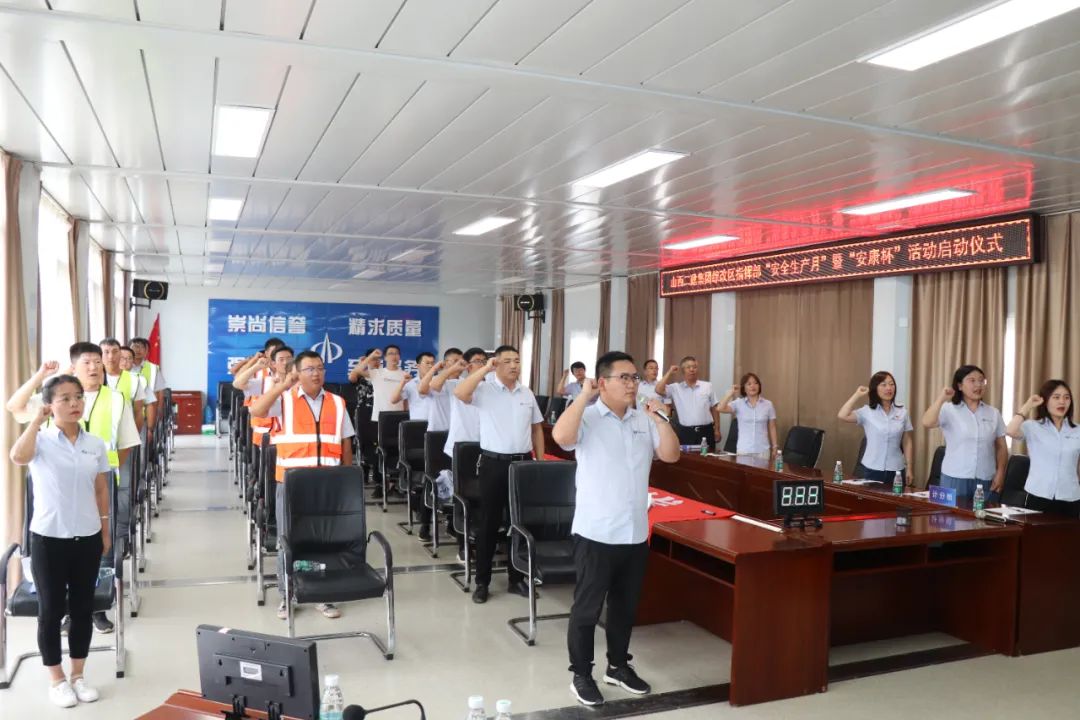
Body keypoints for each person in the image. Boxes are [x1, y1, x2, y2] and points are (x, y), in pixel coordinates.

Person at [552, 352, 679, 707]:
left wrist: (662, 419)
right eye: (624, 377)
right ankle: (581, 673)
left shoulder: (644, 419)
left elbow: (671, 455)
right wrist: (583, 396)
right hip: (596, 532)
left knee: (624, 607)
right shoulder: (587, 416)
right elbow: (561, 436)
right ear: (602, 382)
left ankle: (618, 666)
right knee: (587, 608)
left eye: (634, 377)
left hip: (634, 531)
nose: (632, 384)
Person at [7, 344, 140, 634]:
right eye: (87, 362)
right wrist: (40, 376)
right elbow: (14, 406)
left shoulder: (117, 399)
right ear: (74, 367)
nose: (94, 367)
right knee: (62, 548)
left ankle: (95, 610)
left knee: (100, 548)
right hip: (59, 486)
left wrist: (102, 469)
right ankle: (66, 611)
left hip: (100, 478)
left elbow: (127, 443)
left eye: (97, 362)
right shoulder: (56, 398)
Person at [9, 375, 111, 707]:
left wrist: (105, 530)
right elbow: (17, 457)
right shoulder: (40, 440)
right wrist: (35, 422)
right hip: (48, 539)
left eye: (78, 396)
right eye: (65, 398)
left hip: (87, 537)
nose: (74, 403)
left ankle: (78, 675)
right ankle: (56, 679)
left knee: (82, 609)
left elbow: (100, 489)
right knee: (51, 611)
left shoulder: (95, 443)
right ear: (50, 405)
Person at [250, 351, 355, 622]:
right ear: (297, 372)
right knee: (288, 540)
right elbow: (257, 411)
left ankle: (322, 594)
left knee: (324, 540)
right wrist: (281, 387)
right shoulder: (283, 399)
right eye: (309, 369)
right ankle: (287, 596)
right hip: (292, 482)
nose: (316, 373)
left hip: (328, 483)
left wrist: (346, 479)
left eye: (320, 368)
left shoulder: (337, 402)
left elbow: (346, 442)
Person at [454, 345, 545, 604]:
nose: (514, 365)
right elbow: (460, 392)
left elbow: (537, 429)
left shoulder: (526, 393)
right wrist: (485, 368)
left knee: (520, 523)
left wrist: (539, 462)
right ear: (496, 364)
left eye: (517, 360)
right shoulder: (484, 389)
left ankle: (516, 578)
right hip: (494, 464)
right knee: (489, 524)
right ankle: (482, 582)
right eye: (507, 361)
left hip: (523, 465)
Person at [921, 364, 1007, 502]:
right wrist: (942, 398)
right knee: (950, 515)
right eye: (972, 380)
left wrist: (1001, 472)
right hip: (954, 477)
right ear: (960, 386)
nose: (978, 385)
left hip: (985, 478)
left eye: (981, 380)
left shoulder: (993, 413)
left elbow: (1001, 447)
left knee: (984, 515)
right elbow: (927, 422)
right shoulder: (948, 409)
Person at [1005, 380, 1080, 517]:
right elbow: (1010, 430)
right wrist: (1027, 406)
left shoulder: (1077, 430)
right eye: (1056, 397)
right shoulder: (1033, 427)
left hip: (1070, 498)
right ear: (1045, 401)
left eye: (1066, 397)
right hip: (1038, 496)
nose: (1062, 402)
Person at [442, 348, 487, 561]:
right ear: (468, 365)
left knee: (484, 497)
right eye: (477, 361)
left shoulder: (492, 386)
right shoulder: (456, 384)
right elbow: (433, 385)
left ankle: (483, 539)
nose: (482, 364)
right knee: (463, 497)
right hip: (461, 449)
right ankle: (463, 544)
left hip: (486, 447)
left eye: (484, 360)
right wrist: (452, 368)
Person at [838, 372, 914, 483]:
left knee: (895, 495)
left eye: (891, 384)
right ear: (875, 388)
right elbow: (842, 415)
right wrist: (857, 395)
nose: (889, 388)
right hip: (872, 468)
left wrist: (909, 468)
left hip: (896, 469)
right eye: (883, 385)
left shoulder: (902, 412)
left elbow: (907, 441)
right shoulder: (867, 411)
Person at [233, 345, 295, 446]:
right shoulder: (267, 382)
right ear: (273, 364)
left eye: (289, 359)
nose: (285, 363)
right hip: (266, 435)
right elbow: (237, 383)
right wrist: (256, 367)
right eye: (281, 360)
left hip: (292, 438)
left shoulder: (301, 384)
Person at [655, 356, 721, 450]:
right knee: (687, 458)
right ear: (683, 371)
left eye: (694, 367)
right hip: (686, 432)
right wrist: (669, 372)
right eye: (688, 367)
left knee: (708, 457)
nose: (692, 369)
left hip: (706, 431)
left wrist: (717, 429)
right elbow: (658, 389)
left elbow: (715, 407)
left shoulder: (707, 386)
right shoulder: (676, 388)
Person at [718, 373, 777, 456]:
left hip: (763, 450)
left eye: (756, 383)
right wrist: (730, 393)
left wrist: (774, 447)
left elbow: (772, 427)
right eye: (749, 384)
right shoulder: (738, 403)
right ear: (744, 388)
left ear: (759, 386)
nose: (753, 386)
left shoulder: (768, 404)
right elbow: (720, 408)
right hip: (744, 450)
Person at [100, 338, 147, 432]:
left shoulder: (134, 380)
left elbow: (138, 412)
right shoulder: (91, 378)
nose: (111, 356)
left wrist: (134, 437)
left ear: (120, 354)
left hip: (125, 434)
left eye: (115, 352)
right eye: (106, 352)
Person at [350, 344, 405, 420]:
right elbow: (357, 371)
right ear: (385, 357)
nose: (394, 356)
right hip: (376, 415)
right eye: (391, 354)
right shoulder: (377, 373)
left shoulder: (405, 375)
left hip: (398, 414)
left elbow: (406, 398)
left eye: (396, 353)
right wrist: (370, 356)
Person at [128, 337, 167, 439]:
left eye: (142, 347)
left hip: (147, 413)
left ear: (146, 352)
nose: (138, 350)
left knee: (142, 443)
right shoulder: (123, 367)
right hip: (127, 414)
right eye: (135, 347)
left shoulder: (153, 369)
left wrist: (159, 410)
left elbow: (160, 391)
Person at [393, 352, 437, 421]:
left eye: (432, 363)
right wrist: (402, 382)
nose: (431, 366)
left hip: (436, 423)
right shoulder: (411, 383)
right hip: (417, 423)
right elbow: (394, 400)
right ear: (418, 366)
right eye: (427, 363)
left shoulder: (439, 382)